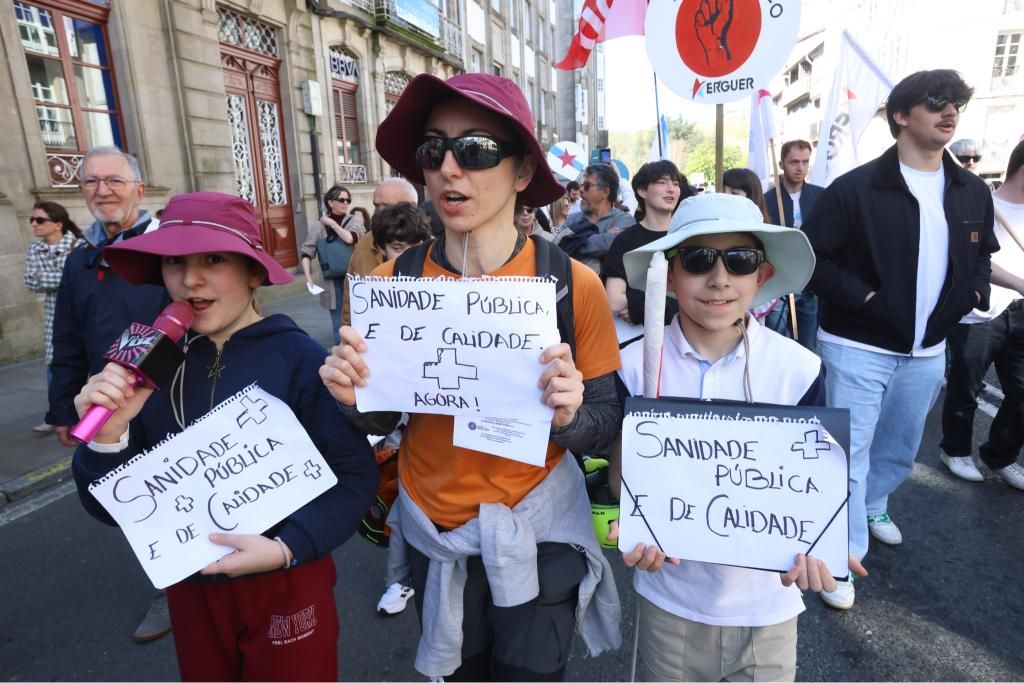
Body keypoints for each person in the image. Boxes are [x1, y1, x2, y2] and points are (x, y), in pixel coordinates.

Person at [319, 72, 622, 681]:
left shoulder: (570, 285)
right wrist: (351, 399)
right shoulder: (387, 289)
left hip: (540, 534)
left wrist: (566, 416)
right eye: (434, 150)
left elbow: (605, 419)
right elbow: (381, 420)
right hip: (437, 534)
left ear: (520, 172)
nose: (450, 169)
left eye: (476, 150)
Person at [71, 191, 377, 681]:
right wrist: (108, 437)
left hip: (287, 581)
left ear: (254, 272)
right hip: (191, 585)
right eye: (175, 261)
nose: (190, 279)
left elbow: (355, 479)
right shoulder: (147, 366)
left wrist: (286, 548)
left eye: (213, 259)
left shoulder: (299, 360)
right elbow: (107, 508)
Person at [608, 193, 866, 682]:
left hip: (768, 609)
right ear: (669, 274)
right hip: (671, 602)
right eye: (699, 259)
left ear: (762, 276)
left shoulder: (798, 368)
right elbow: (622, 480)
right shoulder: (630, 365)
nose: (720, 278)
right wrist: (636, 521)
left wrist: (823, 543)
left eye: (740, 261)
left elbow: (820, 487)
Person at [803, 69, 998, 610]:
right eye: (936, 101)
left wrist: (975, 291)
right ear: (900, 116)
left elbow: (983, 253)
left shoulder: (971, 189)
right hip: (858, 346)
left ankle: (873, 504)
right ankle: (838, 559)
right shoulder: (856, 188)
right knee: (847, 453)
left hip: (929, 348)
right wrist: (867, 300)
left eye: (957, 101)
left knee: (899, 447)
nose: (950, 110)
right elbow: (813, 261)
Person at [46, 146, 172, 643]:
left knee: (179, 486)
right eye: (92, 182)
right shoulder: (80, 260)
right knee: (128, 498)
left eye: (114, 180)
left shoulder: (167, 250)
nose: (103, 190)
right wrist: (61, 407)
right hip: (106, 406)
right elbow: (67, 338)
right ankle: (167, 579)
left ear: (139, 190)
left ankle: (188, 580)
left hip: (167, 398)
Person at [356, 201, 433, 617]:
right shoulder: (374, 290)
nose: (398, 256)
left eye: (409, 246)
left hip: (443, 425)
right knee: (402, 508)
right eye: (392, 247)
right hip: (397, 423)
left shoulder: (448, 288)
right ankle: (400, 582)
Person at [939, 138, 1024, 489]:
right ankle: (954, 450)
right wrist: (1020, 282)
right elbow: (974, 261)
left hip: (1021, 312)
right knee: (965, 387)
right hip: (980, 311)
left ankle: (1000, 455)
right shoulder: (981, 203)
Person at [602, 160, 690, 326]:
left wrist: (642, 306)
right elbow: (614, 300)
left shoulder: (688, 238)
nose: (671, 189)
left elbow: (699, 299)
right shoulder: (625, 240)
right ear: (642, 190)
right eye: (662, 182)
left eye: (676, 184)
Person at [23, 201, 81, 433]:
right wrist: (62, 276)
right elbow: (30, 281)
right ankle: (58, 413)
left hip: (80, 311)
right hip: (53, 315)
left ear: (58, 224)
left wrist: (46, 276)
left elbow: (74, 279)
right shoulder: (34, 249)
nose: (34, 224)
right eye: (32, 220)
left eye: (40, 220)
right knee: (57, 364)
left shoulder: (78, 245)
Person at [765, 140, 825, 350]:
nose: (800, 168)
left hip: (810, 282)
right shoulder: (768, 200)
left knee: (808, 345)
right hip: (779, 281)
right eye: (794, 162)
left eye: (805, 162)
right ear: (781, 164)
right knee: (778, 343)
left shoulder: (820, 196)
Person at [341, 178, 420, 327]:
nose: (379, 213)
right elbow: (349, 300)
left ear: (412, 207)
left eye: (387, 207)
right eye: (376, 206)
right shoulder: (365, 243)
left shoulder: (433, 246)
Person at [300, 185, 365, 345]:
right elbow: (307, 253)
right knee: (339, 325)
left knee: (360, 321)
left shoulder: (354, 220)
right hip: (332, 282)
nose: (345, 203)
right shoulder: (318, 227)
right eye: (341, 200)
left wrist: (332, 224)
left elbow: (351, 238)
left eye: (348, 200)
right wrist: (308, 278)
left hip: (355, 279)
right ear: (330, 202)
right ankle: (344, 356)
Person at [723, 168, 785, 328]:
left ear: (751, 197)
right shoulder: (711, 231)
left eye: (734, 193)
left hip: (749, 313)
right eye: (723, 191)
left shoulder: (763, 236)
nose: (726, 197)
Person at [558, 164, 635, 273]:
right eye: (582, 185)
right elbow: (560, 247)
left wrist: (574, 241)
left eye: (587, 185)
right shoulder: (572, 219)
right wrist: (602, 237)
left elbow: (613, 244)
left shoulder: (625, 220)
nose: (581, 190)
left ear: (605, 192)